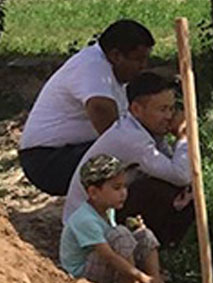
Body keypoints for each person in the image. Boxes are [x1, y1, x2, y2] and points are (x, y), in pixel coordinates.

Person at [19, 20, 154, 196]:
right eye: (138, 59)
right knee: (126, 163)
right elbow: (104, 114)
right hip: (48, 160)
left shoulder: (110, 72)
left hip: (67, 151)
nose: (143, 66)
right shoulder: (92, 66)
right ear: (116, 55)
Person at [63, 72, 194, 247]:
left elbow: (173, 167)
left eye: (171, 109)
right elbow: (180, 174)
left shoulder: (144, 130)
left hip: (102, 206)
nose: (169, 116)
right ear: (137, 110)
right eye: (162, 110)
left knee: (178, 191)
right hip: (86, 222)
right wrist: (183, 137)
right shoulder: (132, 138)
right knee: (157, 190)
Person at [59, 154, 164, 283]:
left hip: (101, 264)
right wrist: (141, 277)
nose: (123, 193)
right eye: (117, 188)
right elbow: (109, 256)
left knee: (145, 235)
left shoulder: (108, 211)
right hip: (82, 273)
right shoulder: (85, 219)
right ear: (93, 192)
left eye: (125, 187)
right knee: (121, 234)